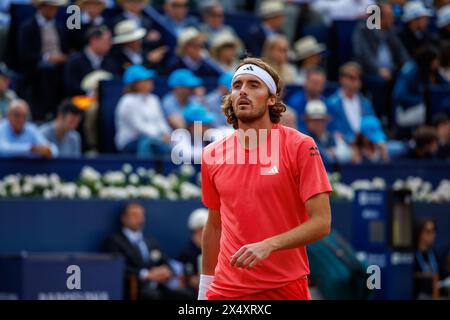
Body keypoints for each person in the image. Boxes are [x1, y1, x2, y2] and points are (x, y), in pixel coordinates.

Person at [199, 57, 332, 300]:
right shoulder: (212, 154)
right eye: (237, 85)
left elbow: (321, 223)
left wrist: (269, 244)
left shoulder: (300, 146)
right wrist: (204, 288)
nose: (243, 92)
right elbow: (215, 224)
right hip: (225, 291)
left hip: (284, 289)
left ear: (272, 99)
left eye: (253, 85)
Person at [103, 202, 194, 300]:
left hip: (160, 286)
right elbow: (118, 267)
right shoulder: (114, 241)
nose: (140, 219)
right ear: (123, 218)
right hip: (136, 288)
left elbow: (164, 260)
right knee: (152, 296)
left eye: (142, 215)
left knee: (186, 294)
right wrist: (146, 274)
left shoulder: (150, 240)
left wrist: (166, 271)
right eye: (135, 215)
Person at [115, 65, 172, 157]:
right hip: (130, 143)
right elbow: (139, 126)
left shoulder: (153, 99)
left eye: (149, 79)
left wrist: (167, 134)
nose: (149, 82)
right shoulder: (127, 101)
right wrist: (160, 137)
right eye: (145, 80)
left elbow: (161, 121)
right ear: (135, 83)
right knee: (150, 144)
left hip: (155, 139)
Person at [64, 25, 119, 96]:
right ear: (94, 41)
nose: (109, 45)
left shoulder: (111, 62)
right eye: (106, 41)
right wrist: (90, 93)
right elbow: (70, 87)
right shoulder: (75, 62)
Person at [413, 218, 450, 299]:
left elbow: (444, 274)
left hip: (439, 292)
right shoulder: (412, 256)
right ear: (419, 233)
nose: (432, 235)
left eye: (433, 231)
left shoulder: (433, 253)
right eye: (428, 231)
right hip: (422, 294)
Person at [177, 208, 209, 295]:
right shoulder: (187, 252)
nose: (203, 233)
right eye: (200, 230)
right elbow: (183, 280)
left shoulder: (216, 251)